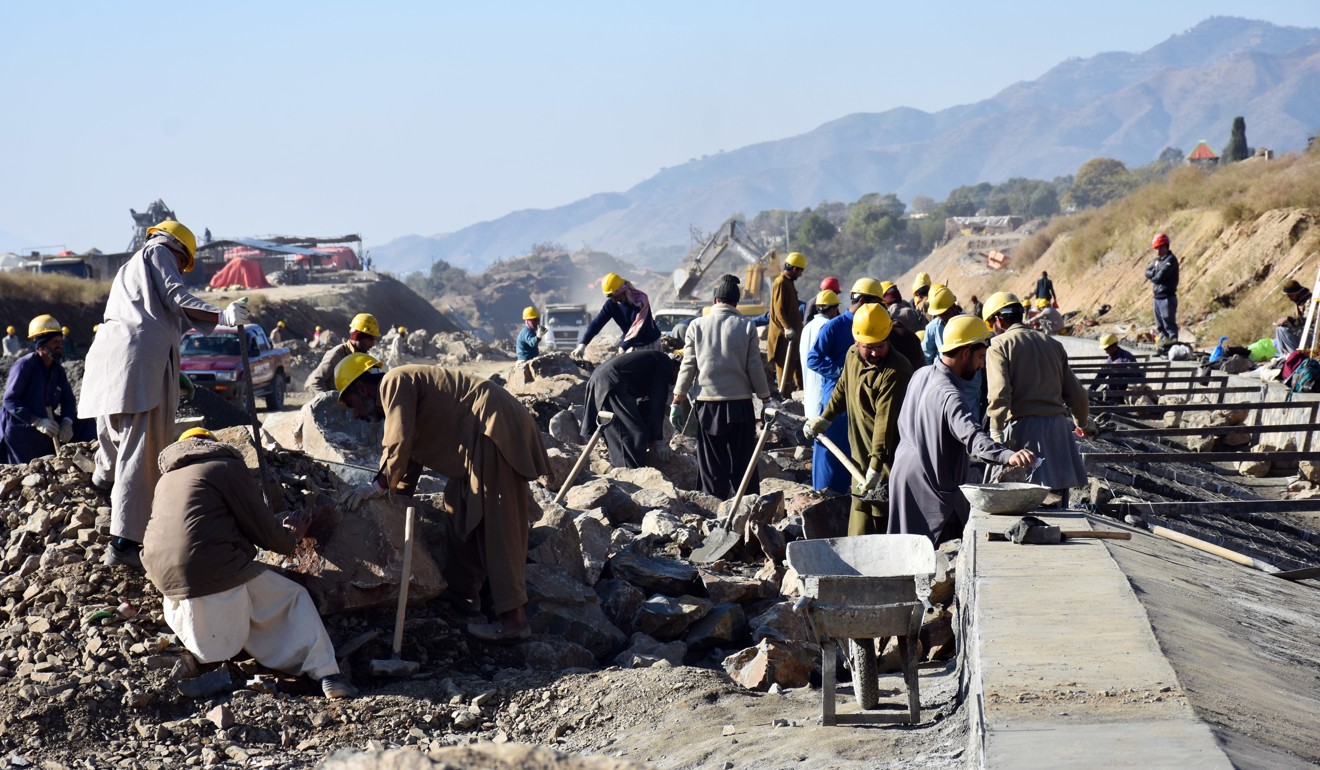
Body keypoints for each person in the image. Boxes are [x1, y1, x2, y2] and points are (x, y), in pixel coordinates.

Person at [335, 354, 549, 642]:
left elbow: (397, 442)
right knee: (458, 507)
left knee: (499, 526)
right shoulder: (403, 390)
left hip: (492, 431)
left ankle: (514, 621)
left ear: (362, 388)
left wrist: (377, 486)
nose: (355, 415)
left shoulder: (393, 382)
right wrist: (392, 501)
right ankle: (463, 598)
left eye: (351, 404)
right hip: (478, 445)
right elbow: (408, 456)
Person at [79, 220, 249, 568]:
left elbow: (146, 316)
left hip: (110, 357)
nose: (181, 270)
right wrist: (223, 315)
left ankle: (104, 476)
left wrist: (177, 375)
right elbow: (176, 296)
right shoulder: (158, 252)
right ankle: (125, 543)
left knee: (116, 428)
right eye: (183, 263)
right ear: (179, 250)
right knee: (143, 449)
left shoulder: (129, 270)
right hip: (141, 358)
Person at [143, 428, 355, 699]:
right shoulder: (225, 465)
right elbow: (262, 529)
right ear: (212, 445)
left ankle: (224, 659)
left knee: (250, 592)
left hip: (163, 576)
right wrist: (291, 538)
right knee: (292, 597)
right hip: (213, 564)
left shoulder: (167, 480)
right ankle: (328, 673)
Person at [888, 316, 1036, 544]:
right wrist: (1008, 455)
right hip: (931, 482)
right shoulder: (951, 395)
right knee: (936, 556)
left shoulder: (921, 374)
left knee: (906, 549)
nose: (981, 365)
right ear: (965, 352)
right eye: (979, 357)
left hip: (903, 475)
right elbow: (973, 436)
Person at [804, 304, 914, 536]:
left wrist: (875, 467)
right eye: (869, 347)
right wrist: (825, 418)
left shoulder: (895, 370)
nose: (875, 353)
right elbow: (842, 389)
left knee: (883, 520)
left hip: (887, 463)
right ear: (856, 342)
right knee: (860, 516)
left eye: (880, 346)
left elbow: (885, 423)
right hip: (859, 459)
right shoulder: (852, 356)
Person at [671, 275, 773, 499]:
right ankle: (748, 506)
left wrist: (677, 400)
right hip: (740, 405)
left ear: (715, 299)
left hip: (707, 406)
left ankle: (714, 508)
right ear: (736, 302)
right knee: (743, 459)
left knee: (711, 462)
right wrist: (766, 400)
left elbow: (688, 366)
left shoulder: (696, 326)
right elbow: (755, 367)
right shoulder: (746, 326)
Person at [983, 292, 1088, 504]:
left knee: (1020, 505)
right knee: (1058, 504)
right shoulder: (1052, 344)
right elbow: (1076, 394)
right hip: (1058, 435)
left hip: (1025, 435)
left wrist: (995, 433)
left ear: (998, 320)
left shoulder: (998, 346)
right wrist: (1082, 422)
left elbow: (999, 393)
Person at [806, 278, 883, 495]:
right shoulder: (835, 326)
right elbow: (814, 358)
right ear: (863, 300)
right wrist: (842, 373)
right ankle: (825, 496)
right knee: (831, 451)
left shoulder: (871, 324)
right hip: (835, 399)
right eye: (876, 303)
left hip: (862, 399)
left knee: (856, 449)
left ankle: (852, 495)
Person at [1, 315, 78, 464]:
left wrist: (67, 422)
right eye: (55, 342)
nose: (59, 345)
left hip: (46, 427)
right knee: (26, 470)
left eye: (60, 341)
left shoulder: (58, 370)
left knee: (86, 424)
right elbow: (10, 400)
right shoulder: (25, 365)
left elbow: (68, 400)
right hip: (20, 428)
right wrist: (36, 421)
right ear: (42, 344)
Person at [583, 350, 677, 468]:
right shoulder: (664, 363)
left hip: (605, 379)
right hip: (612, 382)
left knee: (634, 433)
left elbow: (646, 405)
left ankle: (629, 471)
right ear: (678, 365)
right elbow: (657, 401)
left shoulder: (651, 364)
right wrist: (658, 440)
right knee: (629, 435)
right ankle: (630, 477)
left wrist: (651, 439)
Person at [573, 273, 660, 357]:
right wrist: (583, 344)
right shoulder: (611, 305)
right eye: (609, 296)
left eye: (615, 295)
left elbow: (639, 326)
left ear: (622, 290)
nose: (613, 299)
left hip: (650, 342)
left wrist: (624, 346)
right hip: (631, 344)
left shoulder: (640, 301)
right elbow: (597, 324)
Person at [305, 314, 379, 393]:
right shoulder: (336, 355)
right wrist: (332, 402)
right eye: (370, 339)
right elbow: (316, 382)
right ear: (358, 336)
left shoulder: (363, 358)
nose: (372, 344)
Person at [769, 252, 806, 397]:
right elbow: (779, 310)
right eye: (800, 271)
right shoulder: (780, 282)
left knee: (794, 368)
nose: (801, 275)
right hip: (783, 338)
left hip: (791, 338)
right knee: (784, 373)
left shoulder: (788, 283)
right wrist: (787, 328)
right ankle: (784, 402)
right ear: (795, 269)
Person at [800, 290, 841, 422]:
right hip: (822, 389)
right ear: (833, 309)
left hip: (809, 386)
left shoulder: (807, 327)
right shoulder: (828, 326)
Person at [1145, 233, 1179, 345]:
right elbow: (1147, 272)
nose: (1157, 251)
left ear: (1165, 246)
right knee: (1160, 325)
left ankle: (1172, 343)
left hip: (1167, 297)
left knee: (1168, 322)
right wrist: (1155, 272)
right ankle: (1163, 343)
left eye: (1159, 247)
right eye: (1155, 248)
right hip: (1157, 298)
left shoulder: (1171, 260)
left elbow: (1160, 277)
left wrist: (1154, 274)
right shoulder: (1157, 260)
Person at [1089, 333, 1142, 401]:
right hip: (1110, 391)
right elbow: (1101, 375)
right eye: (1105, 349)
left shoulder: (1127, 358)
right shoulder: (1111, 358)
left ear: (1114, 346)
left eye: (1107, 349)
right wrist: (1091, 389)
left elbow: (1133, 378)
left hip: (1121, 395)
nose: (1106, 352)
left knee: (1108, 405)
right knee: (1094, 401)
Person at [921, 287, 959, 365]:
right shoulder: (932, 328)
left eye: (944, 313)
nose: (941, 317)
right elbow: (927, 356)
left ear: (954, 307)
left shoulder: (968, 323)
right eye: (938, 314)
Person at [1274, 279, 1313, 356]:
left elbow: (1309, 320)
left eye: (1291, 295)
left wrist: (1289, 319)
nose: (1289, 298)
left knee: (1283, 331)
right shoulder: (1298, 303)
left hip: (1314, 333)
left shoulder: (1310, 301)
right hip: (1305, 331)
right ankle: (1286, 356)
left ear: (1298, 293)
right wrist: (1286, 323)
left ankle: (1296, 357)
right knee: (1279, 329)